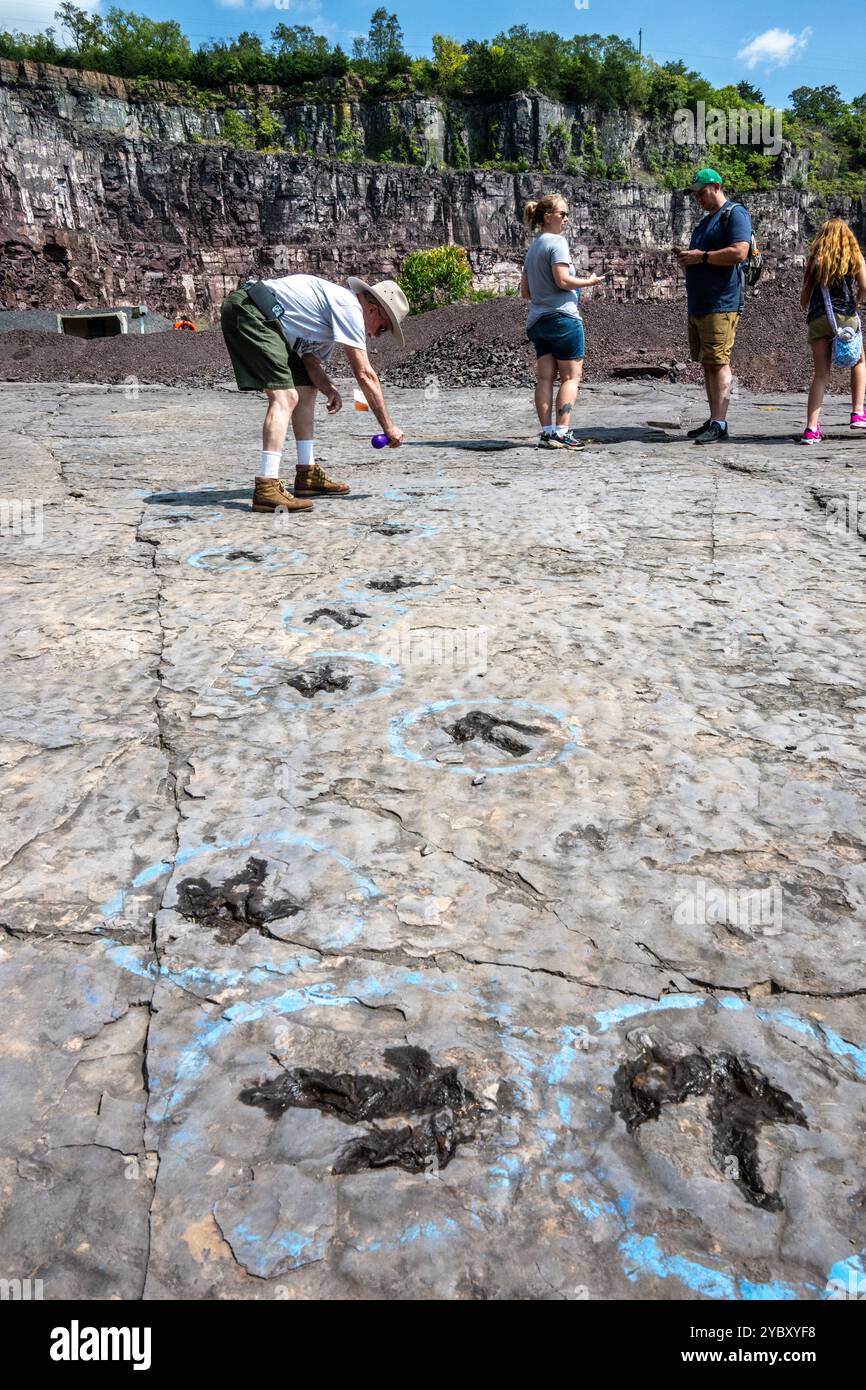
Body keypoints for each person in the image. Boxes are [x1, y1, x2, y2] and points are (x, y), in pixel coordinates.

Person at [220, 273, 408, 513]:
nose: (375, 335)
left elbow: (309, 361)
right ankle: (266, 487)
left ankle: (306, 474)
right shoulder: (349, 307)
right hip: (251, 311)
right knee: (285, 397)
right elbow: (365, 374)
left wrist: (328, 388)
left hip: (266, 319)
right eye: (382, 328)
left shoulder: (331, 321)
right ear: (372, 309)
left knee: (306, 389)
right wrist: (388, 427)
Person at [520, 194, 605, 451]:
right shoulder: (557, 242)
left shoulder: (533, 248)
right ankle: (562, 432)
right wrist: (589, 281)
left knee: (544, 378)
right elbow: (563, 280)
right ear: (548, 217)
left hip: (538, 321)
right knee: (571, 377)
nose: (566, 219)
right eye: (562, 214)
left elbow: (525, 292)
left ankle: (547, 433)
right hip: (563, 319)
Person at [675, 169, 751, 444]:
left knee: (719, 363)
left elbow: (740, 252)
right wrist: (690, 259)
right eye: (694, 194)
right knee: (708, 363)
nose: (697, 198)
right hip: (700, 304)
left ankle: (720, 422)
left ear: (716, 186)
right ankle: (713, 419)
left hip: (721, 303)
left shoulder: (735, 214)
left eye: (701, 192)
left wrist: (702, 256)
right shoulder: (705, 223)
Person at [798, 219, 866, 443]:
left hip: (819, 318)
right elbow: (865, 286)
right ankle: (857, 413)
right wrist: (856, 301)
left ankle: (811, 429)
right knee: (858, 361)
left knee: (821, 374)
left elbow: (803, 300)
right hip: (844, 317)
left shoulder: (814, 261)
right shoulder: (853, 256)